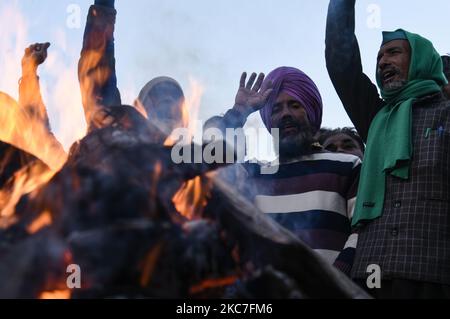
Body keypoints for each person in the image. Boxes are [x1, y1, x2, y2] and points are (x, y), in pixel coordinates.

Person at [326, 0, 450, 298]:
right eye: (379, 56)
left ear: (421, 59)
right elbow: (342, 65)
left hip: (434, 278)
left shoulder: (446, 113)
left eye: (393, 52)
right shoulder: (375, 117)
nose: (382, 62)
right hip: (369, 278)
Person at [204, 67, 361, 268]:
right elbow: (206, 167)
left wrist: (335, 283)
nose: (285, 114)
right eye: (276, 109)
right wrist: (238, 114)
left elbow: (362, 232)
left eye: (294, 105)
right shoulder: (253, 174)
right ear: (269, 120)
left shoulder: (347, 167)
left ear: (310, 112)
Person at [79, 0, 186, 142]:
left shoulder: (199, 159)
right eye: (159, 103)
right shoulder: (116, 130)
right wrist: (104, 5)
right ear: (141, 112)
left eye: (174, 108)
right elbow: (97, 68)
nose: (167, 109)